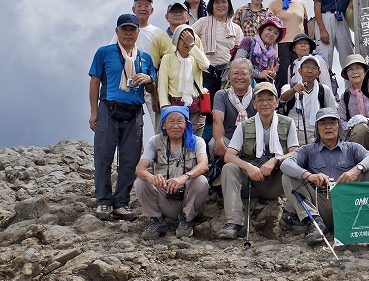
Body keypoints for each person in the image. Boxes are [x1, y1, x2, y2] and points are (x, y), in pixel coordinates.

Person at [88, 14, 157, 221]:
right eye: (124, 29)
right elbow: (95, 82)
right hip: (108, 108)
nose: (128, 33)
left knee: (130, 159)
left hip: (134, 112)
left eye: (132, 29)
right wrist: (93, 113)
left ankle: (121, 203)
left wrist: (148, 79)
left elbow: (153, 89)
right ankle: (103, 201)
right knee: (103, 156)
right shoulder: (104, 52)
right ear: (117, 31)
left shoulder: (145, 58)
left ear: (138, 32)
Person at [280, 107, 369, 245]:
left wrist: (356, 170)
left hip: (349, 204)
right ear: (317, 129)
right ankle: (314, 224)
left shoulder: (352, 148)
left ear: (339, 126)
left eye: (332, 123)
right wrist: (310, 176)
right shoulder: (307, 150)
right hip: (320, 204)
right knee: (288, 177)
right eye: (322, 123)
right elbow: (285, 164)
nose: (328, 127)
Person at [219, 82, 299, 239]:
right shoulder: (244, 126)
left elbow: (295, 153)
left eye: (269, 99)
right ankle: (234, 222)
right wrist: (248, 167)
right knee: (229, 168)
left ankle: (292, 215)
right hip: (252, 181)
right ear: (254, 104)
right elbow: (229, 155)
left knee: (293, 170)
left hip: (276, 182)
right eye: (260, 100)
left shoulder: (288, 123)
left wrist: (276, 160)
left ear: (276, 102)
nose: (265, 103)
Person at [134, 106, 209, 239]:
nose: (175, 126)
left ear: (186, 125)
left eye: (180, 121)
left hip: (188, 198)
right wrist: (152, 178)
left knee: (201, 181)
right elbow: (140, 169)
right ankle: (156, 220)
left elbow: (204, 165)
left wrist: (184, 178)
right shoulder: (154, 141)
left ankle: (186, 220)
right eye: (171, 121)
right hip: (165, 196)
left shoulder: (197, 142)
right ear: (163, 125)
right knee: (140, 182)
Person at [110, 0, 163, 133]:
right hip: (128, 80)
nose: (143, 9)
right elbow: (113, 53)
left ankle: (161, 151)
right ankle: (135, 153)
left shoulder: (157, 32)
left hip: (151, 80)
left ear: (152, 10)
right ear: (133, 9)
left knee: (159, 118)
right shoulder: (122, 31)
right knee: (129, 119)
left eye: (147, 6)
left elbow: (164, 57)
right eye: (139, 5)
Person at [157, 24, 209, 137]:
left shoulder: (196, 57)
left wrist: (192, 45)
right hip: (175, 108)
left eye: (189, 40)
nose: (186, 44)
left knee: (195, 141)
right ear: (176, 42)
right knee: (176, 141)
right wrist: (165, 108)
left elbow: (205, 65)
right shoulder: (168, 59)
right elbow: (162, 86)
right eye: (183, 40)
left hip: (196, 109)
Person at [192, 0, 243, 95]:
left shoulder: (236, 28)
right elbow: (187, 36)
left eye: (224, 1)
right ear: (211, 5)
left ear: (229, 4)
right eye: (217, 2)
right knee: (206, 108)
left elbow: (240, 54)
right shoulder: (202, 22)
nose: (221, 5)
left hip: (227, 75)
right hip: (205, 73)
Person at [279, 55, 337, 144]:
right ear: (300, 71)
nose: (309, 71)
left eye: (314, 68)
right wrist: (294, 90)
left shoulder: (324, 90)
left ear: (319, 73)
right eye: (306, 67)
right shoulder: (288, 87)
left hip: (316, 134)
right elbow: (283, 99)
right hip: (292, 133)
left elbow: (332, 111)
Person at [268, 0, 309, 94]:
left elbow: (306, 26)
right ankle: (282, 102)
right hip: (281, 44)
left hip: (299, 44)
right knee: (283, 73)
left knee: (301, 71)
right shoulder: (274, 4)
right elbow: (269, 25)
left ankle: (303, 98)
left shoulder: (301, 3)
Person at [211, 58, 257, 159]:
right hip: (229, 139)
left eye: (244, 74)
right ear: (229, 76)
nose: (239, 77)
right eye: (235, 73)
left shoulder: (257, 95)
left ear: (251, 76)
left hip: (254, 138)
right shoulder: (221, 95)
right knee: (213, 144)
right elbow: (217, 120)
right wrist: (220, 142)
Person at [148, 2, 203, 70]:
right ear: (167, 17)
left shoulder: (195, 38)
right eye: (174, 12)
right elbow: (153, 66)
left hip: (192, 79)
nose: (178, 14)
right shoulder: (158, 39)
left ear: (188, 17)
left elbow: (203, 63)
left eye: (181, 12)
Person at [337, 54, 369, 153]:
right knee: (360, 129)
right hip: (355, 137)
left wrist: (367, 121)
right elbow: (341, 120)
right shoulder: (345, 96)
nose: (354, 72)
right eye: (350, 69)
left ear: (364, 71)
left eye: (358, 68)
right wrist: (351, 125)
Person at [234, 16, 285, 83]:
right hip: (242, 85)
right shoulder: (248, 41)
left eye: (276, 33)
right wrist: (258, 74)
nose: (271, 34)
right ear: (262, 30)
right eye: (269, 29)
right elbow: (237, 63)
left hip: (261, 90)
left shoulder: (272, 54)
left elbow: (267, 74)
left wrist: (271, 74)